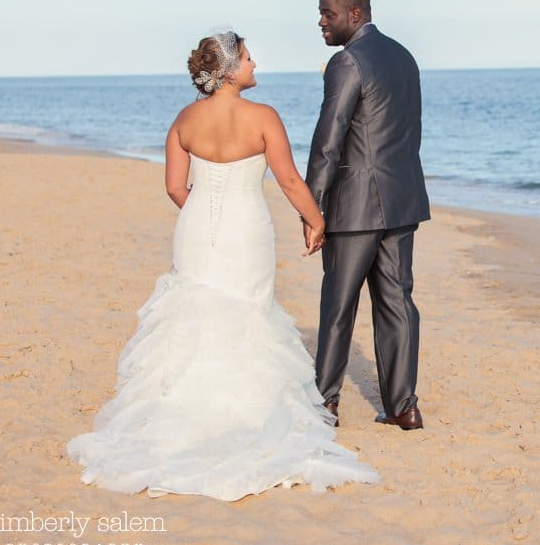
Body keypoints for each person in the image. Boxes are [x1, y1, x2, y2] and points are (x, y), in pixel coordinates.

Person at [66, 31, 379, 500]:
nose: (255, 65)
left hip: (194, 230)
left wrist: (201, 215)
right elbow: (290, 179)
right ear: (231, 70)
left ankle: (183, 415)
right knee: (249, 311)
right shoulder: (263, 117)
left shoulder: (184, 119)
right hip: (247, 231)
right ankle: (246, 417)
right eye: (250, 58)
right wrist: (316, 221)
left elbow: (175, 187)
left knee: (192, 315)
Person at [305, 0, 430, 430]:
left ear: (355, 14)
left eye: (328, 13)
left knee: (338, 306)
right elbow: (409, 131)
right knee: (398, 305)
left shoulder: (347, 60)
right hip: (402, 199)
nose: (320, 21)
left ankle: (325, 403)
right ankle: (404, 407)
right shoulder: (404, 57)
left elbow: (328, 141)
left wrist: (311, 206)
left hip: (355, 207)